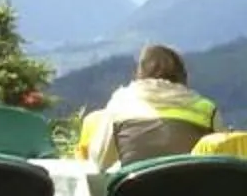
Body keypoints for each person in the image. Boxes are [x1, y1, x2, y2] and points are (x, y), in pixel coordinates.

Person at [78, 44, 217, 168]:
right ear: (182, 74)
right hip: (190, 194)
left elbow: (99, 160)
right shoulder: (206, 110)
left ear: (141, 72)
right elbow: (222, 158)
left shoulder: (120, 104)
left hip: (134, 194)